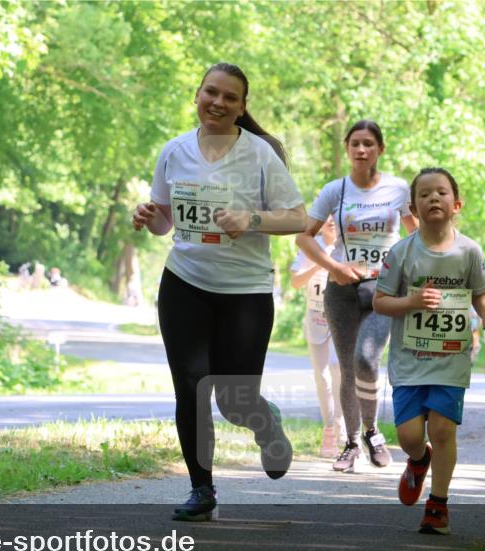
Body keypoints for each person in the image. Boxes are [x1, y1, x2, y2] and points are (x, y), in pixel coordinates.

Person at [131, 63, 306, 522]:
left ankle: (266, 424)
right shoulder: (174, 151)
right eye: (212, 92)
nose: (219, 103)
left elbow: (297, 217)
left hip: (245, 291)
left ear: (242, 107)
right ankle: (201, 488)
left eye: (231, 97)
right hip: (185, 283)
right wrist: (150, 218)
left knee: (234, 399)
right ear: (197, 94)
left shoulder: (261, 155)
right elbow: (166, 222)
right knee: (190, 385)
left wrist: (251, 221)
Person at [374, 167, 485, 535]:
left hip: (451, 357)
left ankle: (437, 505)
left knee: (443, 430)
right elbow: (381, 302)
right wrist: (412, 301)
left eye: (441, 193)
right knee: (411, 436)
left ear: (456, 204)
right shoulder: (401, 252)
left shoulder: (469, 251)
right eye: (425, 194)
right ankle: (418, 460)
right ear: (413, 208)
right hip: (410, 359)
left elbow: (479, 293)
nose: (434, 198)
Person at [296, 120, 415, 473]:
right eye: (355, 144)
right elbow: (304, 237)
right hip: (342, 290)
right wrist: (333, 266)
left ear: (380, 149)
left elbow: (417, 234)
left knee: (367, 359)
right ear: (347, 149)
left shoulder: (398, 189)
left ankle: (373, 432)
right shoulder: (335, 191)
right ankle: (350, 444)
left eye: (368, 144)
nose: (361, 150)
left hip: (384, 289)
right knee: (346, 367)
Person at [290, 217, 346, 457]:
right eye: (327, 217)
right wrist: (319, 264)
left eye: (336, 215)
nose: (332, 221)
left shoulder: (347, 245)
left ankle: (343, 425)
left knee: (337, 369)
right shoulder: (310, 246)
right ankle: (329, 427)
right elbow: (295, 281)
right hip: (316, 318)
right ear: (321, 222)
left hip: (341, 317)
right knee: (321, 375)